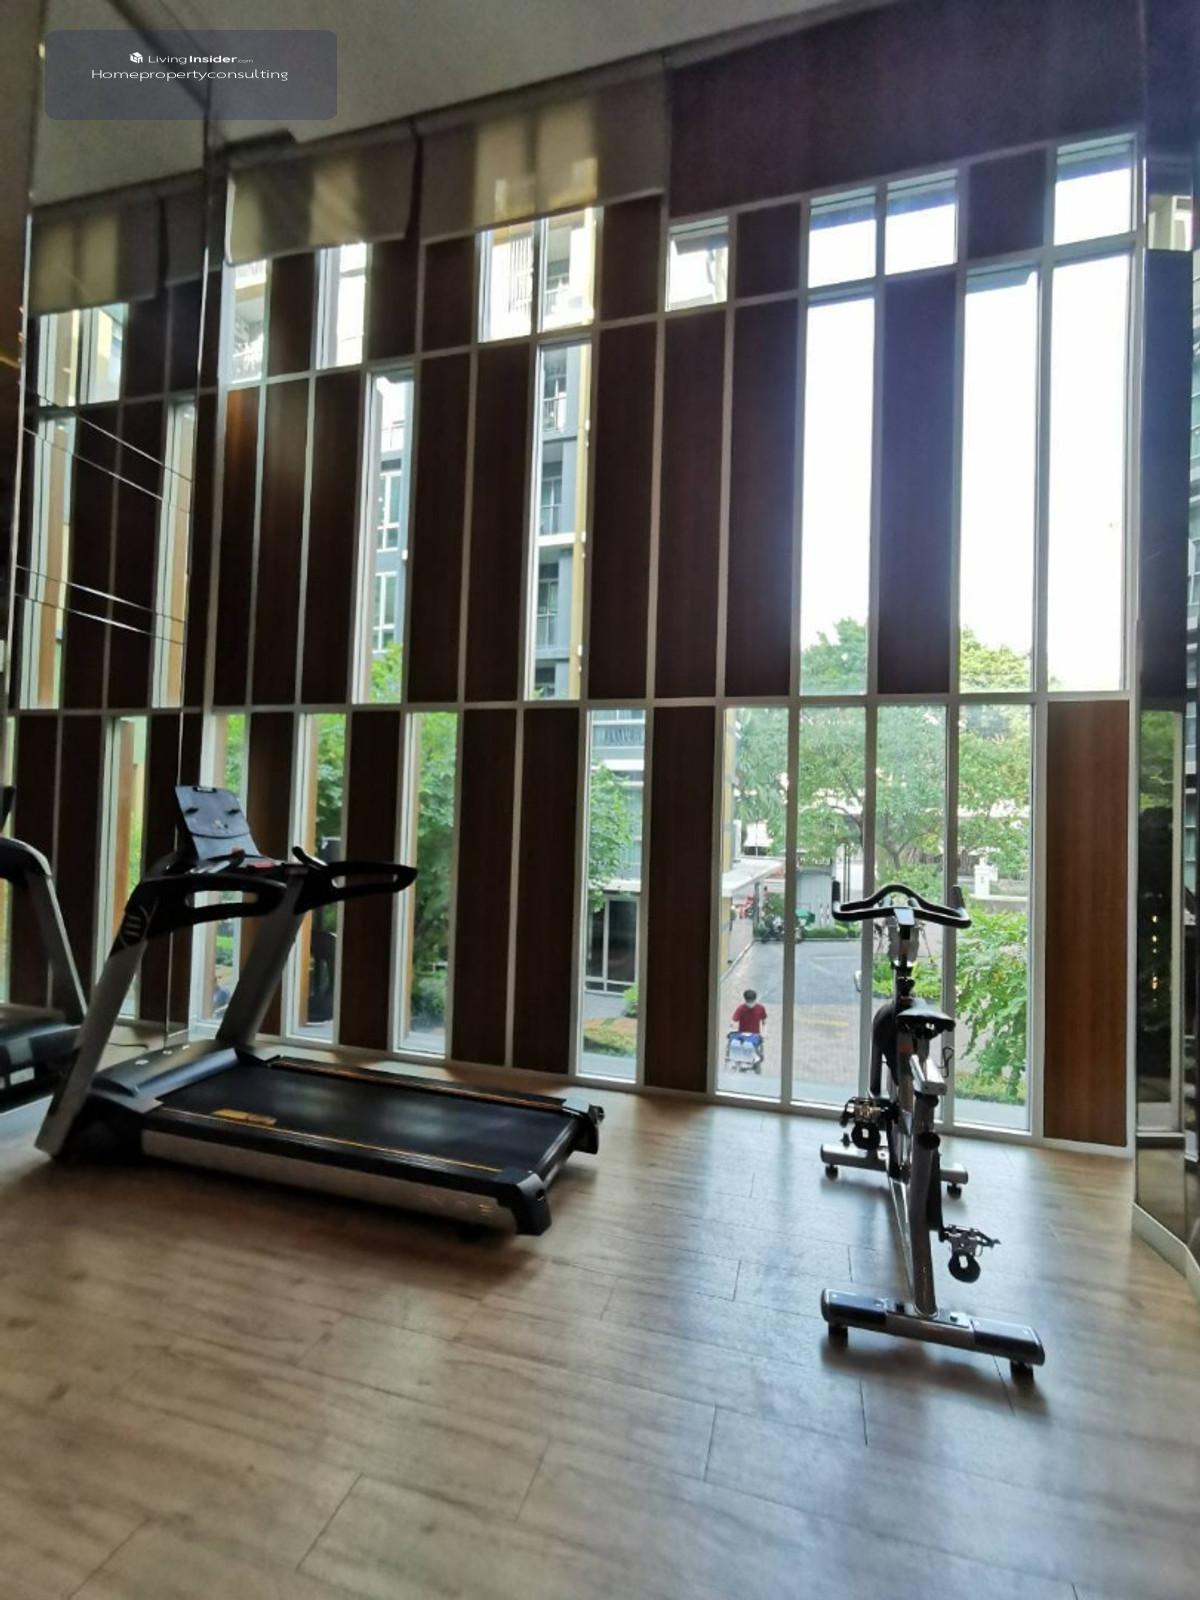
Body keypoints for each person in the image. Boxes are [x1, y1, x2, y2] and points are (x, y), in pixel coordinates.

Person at [729, 989, 767, 1070]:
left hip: (755, 1035)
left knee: (749, 1045)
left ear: (755, 1000)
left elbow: (764, 1022)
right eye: (748, 1001)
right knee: (735, 1043)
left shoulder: (760, 1008)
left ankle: (755, 1059)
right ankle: (738, 1061)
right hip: (742, 1034)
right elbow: (733, 1020)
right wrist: (732, 1024)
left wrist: (765, 1032)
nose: (750, 1004)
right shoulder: (741, 1008)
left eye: (751, 1001)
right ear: (745, 1000)